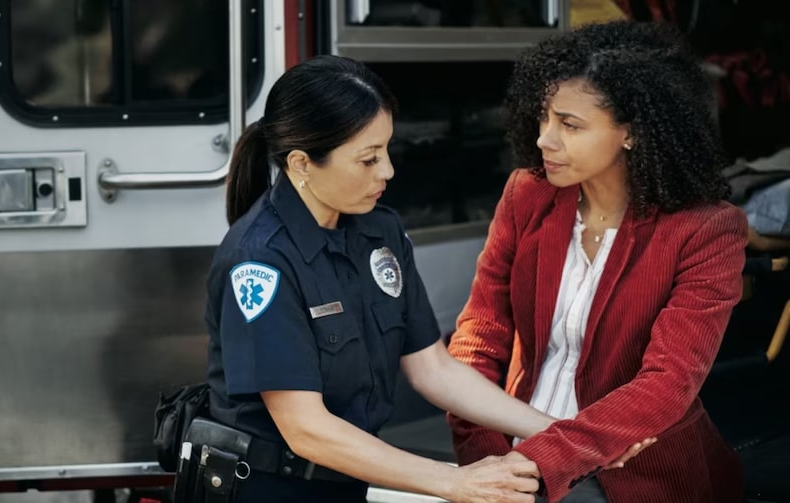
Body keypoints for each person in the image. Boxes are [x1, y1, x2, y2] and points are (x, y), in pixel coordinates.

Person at [191, 55, 647, 503]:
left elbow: (433, 368)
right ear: (302, 164)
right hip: (268, 488)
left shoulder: (378, 230)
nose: (387, 171)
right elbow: (306, 429)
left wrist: (572, 436)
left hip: (345, 483)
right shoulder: (260, 261)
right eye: (368, 159)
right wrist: (454, 482)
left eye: (387, 150)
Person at [446, 21, 748, 503]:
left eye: (570, 124)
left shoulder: (706, 229)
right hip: (505, 456)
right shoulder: (528, 194)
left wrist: (533, 464)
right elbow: (480, 333)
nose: (545, 139)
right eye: (544, 117)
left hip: (635, 475)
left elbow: (668, 384)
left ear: (631, 133)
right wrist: (484, 452)